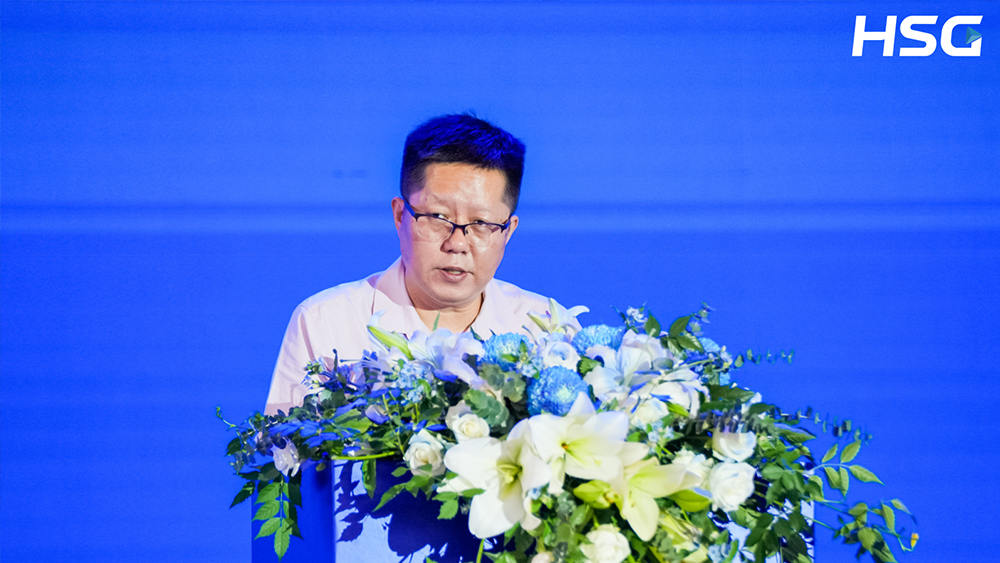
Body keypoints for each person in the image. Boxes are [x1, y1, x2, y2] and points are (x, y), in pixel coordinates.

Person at [265, 114, 574, 414]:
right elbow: (286, 444)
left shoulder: (547, 331)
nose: (457, 243)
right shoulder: (326, 322)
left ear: (508, 231)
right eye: (438, 217)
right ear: (400, 215)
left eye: (481, 223)